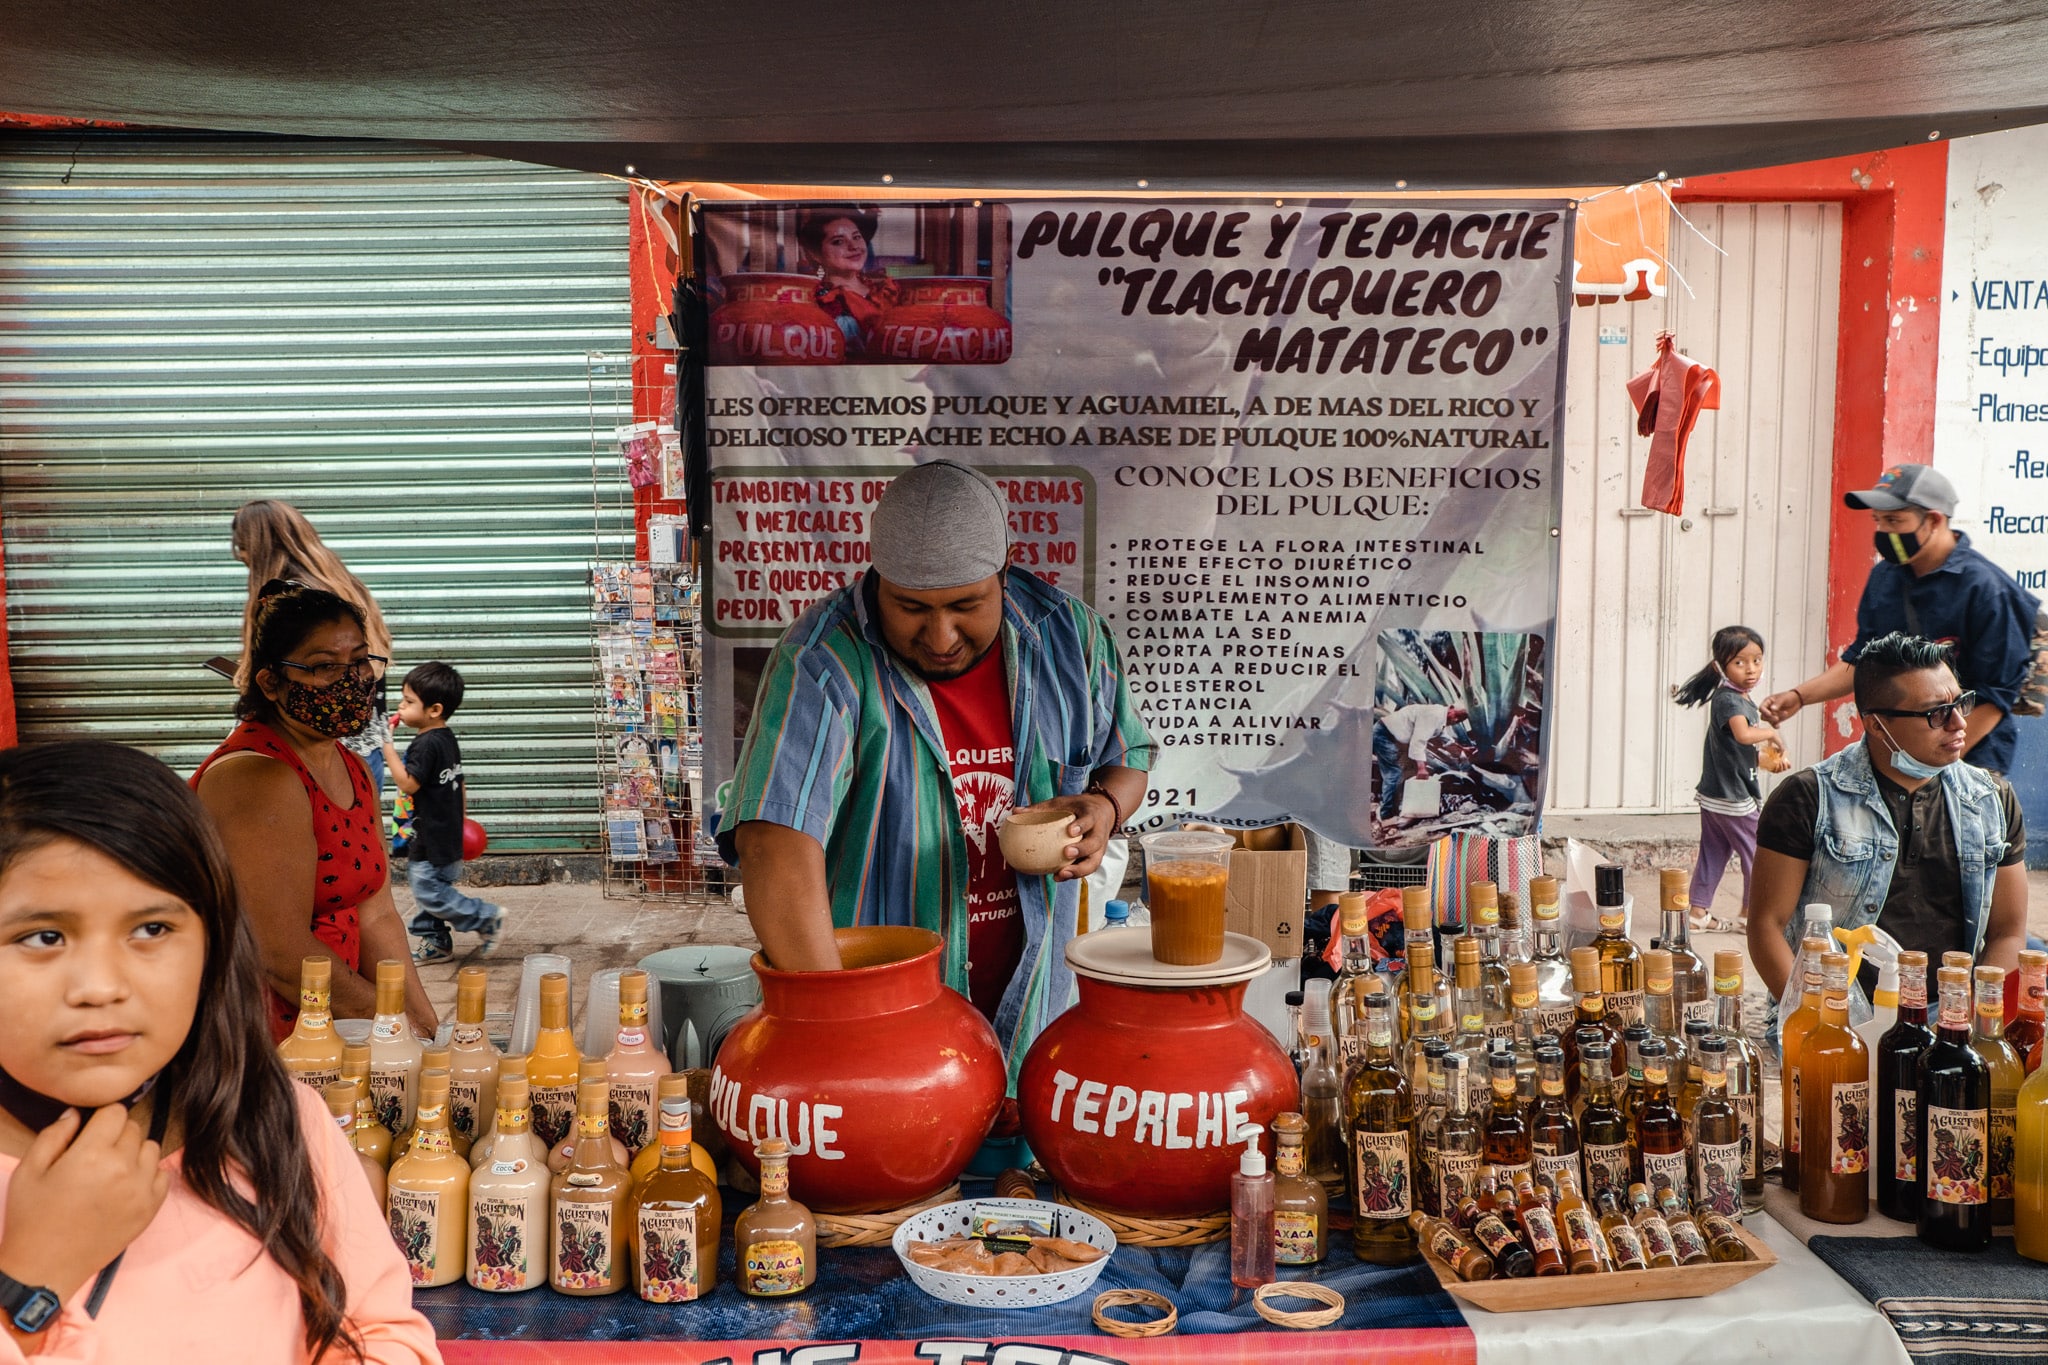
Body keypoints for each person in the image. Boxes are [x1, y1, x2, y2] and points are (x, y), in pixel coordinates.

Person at [0, 740, 438, 1362]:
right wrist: (32, 1277)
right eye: (43, 936)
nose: (100, 987)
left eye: (152, 929)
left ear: (211, 949)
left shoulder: (282, 1120)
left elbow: (383, 1336)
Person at [718, 460, 1153, 1066]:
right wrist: (844, 1036)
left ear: (1005, 568)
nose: (942, 636)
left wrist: (1105, 806)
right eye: (912, 607)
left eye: (965, 605)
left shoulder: (1068, 638)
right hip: (882, 1026)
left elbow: (1126, 758)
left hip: (1033, 1014)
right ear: (877, 578)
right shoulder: (822, 662)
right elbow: (773, 841)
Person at [193, 581, 436, 1041]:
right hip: (262, 1037)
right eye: (324, 667)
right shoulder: (255, 777)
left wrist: (425, 1026)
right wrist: (393, 1025)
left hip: (343, 1019)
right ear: (270, 682)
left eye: (360, 661)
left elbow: (377, 915)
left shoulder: (353, 768)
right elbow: (277, 952)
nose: (352, 680)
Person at [1749, 633, 2027, 1016]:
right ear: (1877, 726)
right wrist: (1825, 1026)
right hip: (1831, 1012)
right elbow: (1766, 928)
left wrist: (1968, 1022)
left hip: (1946, 1013)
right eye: (1936, 713)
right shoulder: (1808, 798)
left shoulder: (1990, 799)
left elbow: (2008, 932)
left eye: (1961, 702)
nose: (1960, 722)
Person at [1761, 464, 2036, 772]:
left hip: (1968, 763)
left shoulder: (1988, 590)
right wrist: (1799, 696)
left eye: (1894, 520)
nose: (1884, 533)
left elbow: (1994, 697)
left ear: (1933, 519)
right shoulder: (1884, 578)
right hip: (1897, 759)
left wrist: (1935, 767)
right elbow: (1863, 661)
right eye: (1878, 521)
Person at [232, 500, 397, 800]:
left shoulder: (285, 598)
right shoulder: (343, 584)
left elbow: (284, 681)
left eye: (240, 548)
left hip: (311, 753)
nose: (241, 557)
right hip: (363, 750)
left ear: (255, 547)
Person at [380, 661, 504, 963]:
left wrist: (387, 747)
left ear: (434, 710)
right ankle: (435, 942)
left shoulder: (425, 744)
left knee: (427, 891)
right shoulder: (446, 737)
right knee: (431, 890)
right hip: (446, 832)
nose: (401, 706)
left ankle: (486, 918)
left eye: (409, 702)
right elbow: (460, 783)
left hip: (432, 837)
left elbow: (408, 784)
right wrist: (461, 821)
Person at [1671, 625, 1778, 933]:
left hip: (1716, 794)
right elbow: (1744, 735)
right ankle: (1749, 916)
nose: (1751, 669)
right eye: (1740, 662)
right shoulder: (1731, 701)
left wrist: (1767, 761)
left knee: (1714, 852)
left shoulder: (1735, 699)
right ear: (1721, 666)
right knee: (1757, 856)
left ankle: (1698, 913)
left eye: (1757, 660)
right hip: (1733, 799)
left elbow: (1735, 750)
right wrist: (1771, 732)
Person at [798, 208, 898, 356]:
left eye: (857, 237)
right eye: (838, 242)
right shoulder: (813, 301)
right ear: (816, 254)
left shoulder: (887, 289)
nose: (854, 246)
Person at [1373, 701, 1468, 820]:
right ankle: (1387, 815)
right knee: (1394, 774)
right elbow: (1418, 741)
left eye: (1460, 720)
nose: (1455, 721)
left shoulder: (1440, 715)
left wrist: (1462, 749)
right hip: (1384, 735)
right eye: (1456, 716)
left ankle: (1398, 809)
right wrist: (1421, 768)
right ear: (1451, 708)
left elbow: (1443, 736)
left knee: (1401, 774)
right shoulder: (1433, 714)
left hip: (1392, 737)